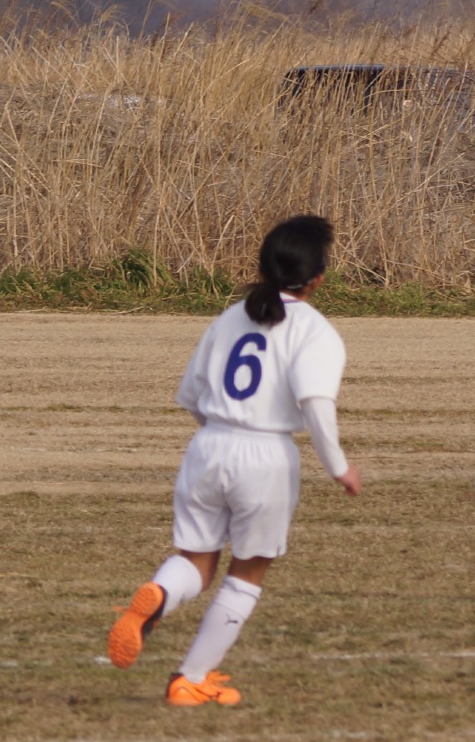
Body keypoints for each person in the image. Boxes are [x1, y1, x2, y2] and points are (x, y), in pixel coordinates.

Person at [107, 215, 362, 706]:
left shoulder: (230, 317)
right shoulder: (316, 331)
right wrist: (339, 467)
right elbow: (315, 403)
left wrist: (220, 433)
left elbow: (191, 394)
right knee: (247, 573)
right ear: (317, 278)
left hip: (208, 446)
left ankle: (160, 594)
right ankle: (190, 679)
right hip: (265, 457)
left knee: (196, 564)